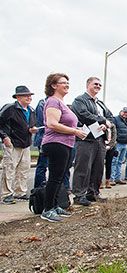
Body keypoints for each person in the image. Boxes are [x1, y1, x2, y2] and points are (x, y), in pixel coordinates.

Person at [40, 74, 87, 222]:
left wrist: (77, 130)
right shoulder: (53, 102)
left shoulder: (62, 103)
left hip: (66, 143)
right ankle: (47, 209)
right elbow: (52, 123)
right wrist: (75, 131)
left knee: (60, 177)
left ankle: (54, 205)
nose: (67, 85)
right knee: (54, 177)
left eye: (68, 82)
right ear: (54, 85)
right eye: (63, 83)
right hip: (56, 143)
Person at [70, 77, 114, 206]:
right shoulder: (80, 100)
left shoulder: (100, 103)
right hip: (86, 138)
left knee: (98, 167)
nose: (98, 86)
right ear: (88, 84)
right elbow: (83, 114)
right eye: (95, 84)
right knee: (83, 167)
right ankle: (79, 195)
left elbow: (110, 117)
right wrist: (102, 120)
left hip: (100, 138)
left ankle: (93, 192)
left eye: (100, 85)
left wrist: (106, 125)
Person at [0, 85, 37, 204]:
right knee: (9, 168)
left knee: (24, 169)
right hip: (12, 142)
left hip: (25, 143)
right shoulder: (10, 108)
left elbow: (30, 125)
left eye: (30, 95)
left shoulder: (31, 110)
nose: (29, 97)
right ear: (18, 97)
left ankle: (19, 192)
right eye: (26, 95)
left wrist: (32, 129)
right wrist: (4, 136)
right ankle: (6, 194)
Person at [110, 107, 127, 185]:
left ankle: (117, 178)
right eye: (124, 112)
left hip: (125, 143)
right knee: (114, 161)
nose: (125, 114)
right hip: (118, 143)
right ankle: (111, 179)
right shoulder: (115, 119)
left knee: (120, 161)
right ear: (121, 111)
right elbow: (113, 130)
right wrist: (113, 141)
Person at [103, 122, 117, 189]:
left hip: (111, 148)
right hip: (102, 146)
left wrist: (110, 146)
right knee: (99, 165)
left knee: (109, 164)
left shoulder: (113, 126)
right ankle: (98, 182)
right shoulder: (101, 125)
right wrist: (104, 146)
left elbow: (114, 137)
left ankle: (107, 181)